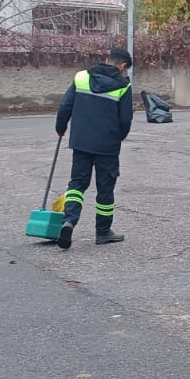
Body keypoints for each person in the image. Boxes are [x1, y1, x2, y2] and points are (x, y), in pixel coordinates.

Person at [53, 48, 135, 249]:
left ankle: (69, 221)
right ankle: (103, 232)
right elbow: (125, 119)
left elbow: (65, 106)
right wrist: (119, 137)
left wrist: (60, 128)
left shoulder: (81, 77)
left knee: (77, 184)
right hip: (107, 145)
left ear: (107, 59)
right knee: (105, 188)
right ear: (123, 65)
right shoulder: (123, 85)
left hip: (81, 142)